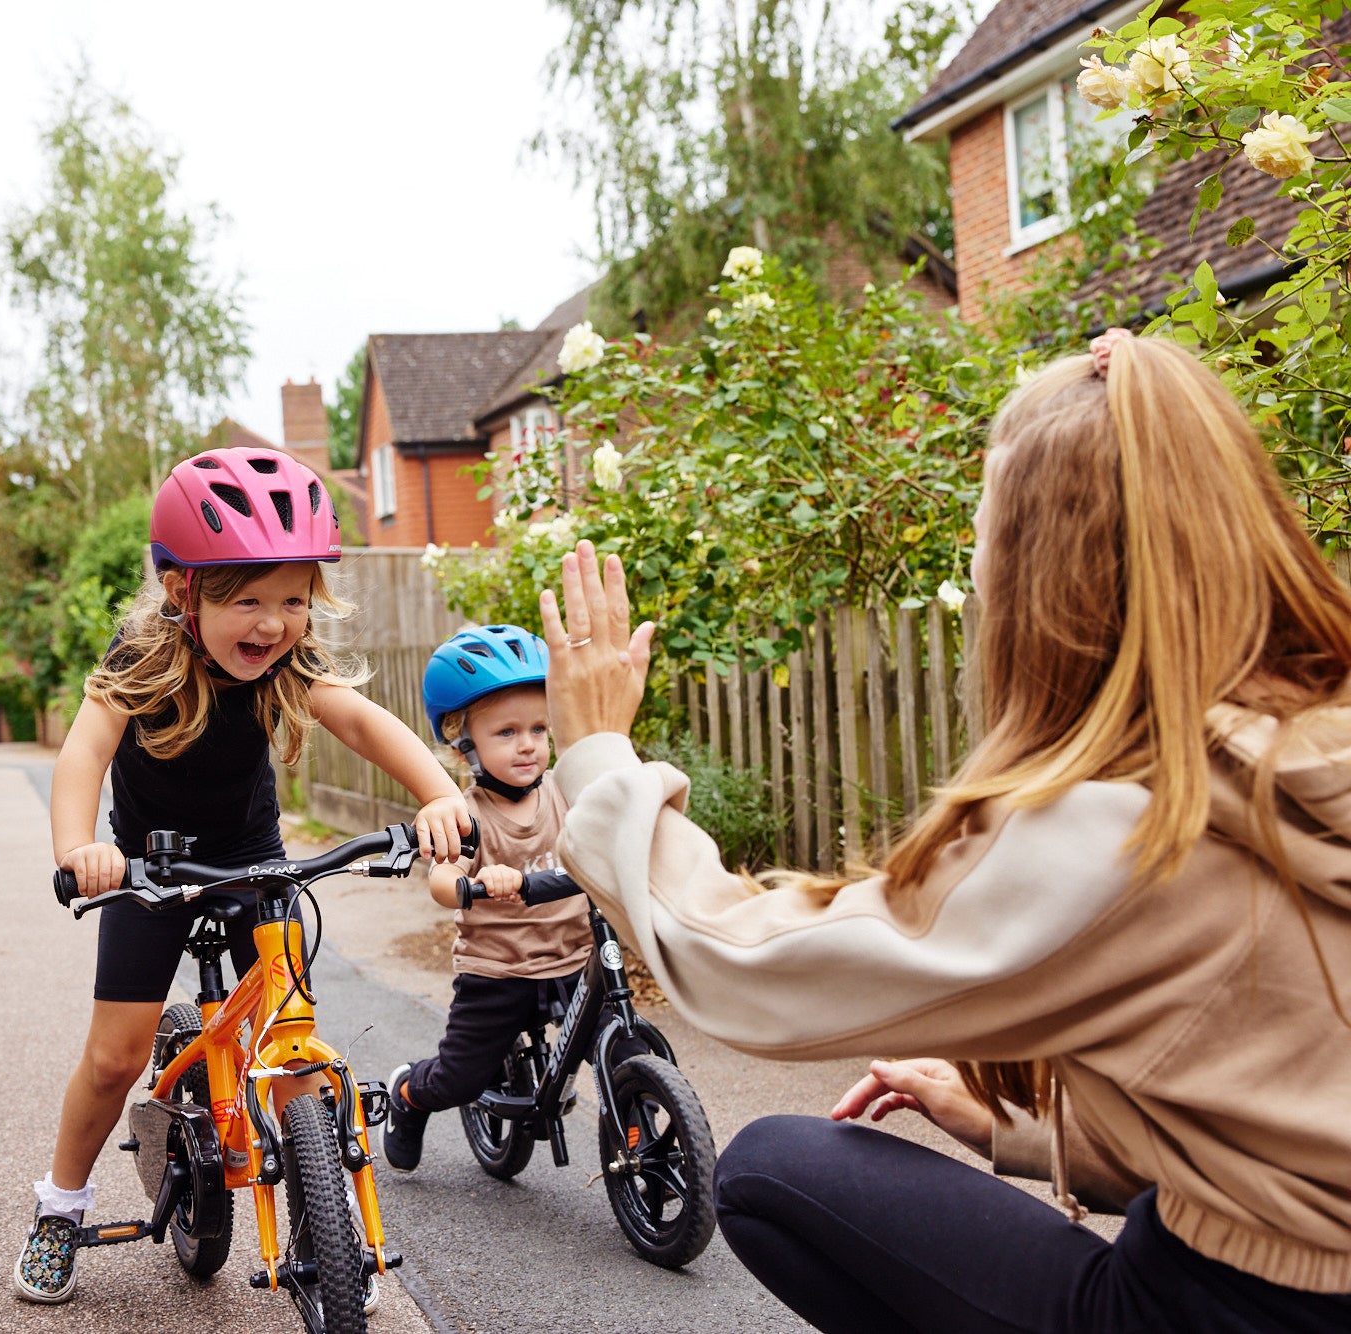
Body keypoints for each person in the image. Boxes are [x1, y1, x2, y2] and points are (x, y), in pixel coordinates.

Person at [540, 332, 1351, 1331]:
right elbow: (1285, 1120)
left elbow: (739, 966)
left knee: (770, 1169)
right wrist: (1022, 1131)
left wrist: (598, 756)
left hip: (1235, 1307)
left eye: (982, 536)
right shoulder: (1310, 749)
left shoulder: (1140, 820)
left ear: (1038, 576)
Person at [15, 446, 471, 1306]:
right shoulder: (142, 657)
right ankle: (59, 1207)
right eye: (248, 600)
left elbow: (369, 727)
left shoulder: (288, 666)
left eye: (293, 599)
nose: (273, 623)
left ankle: (326, 1220)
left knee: (292, 1052)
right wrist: (79, 849)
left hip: (255, 863)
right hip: (147, 870)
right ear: (186, 591)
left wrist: (441, 795)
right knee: (115, 1060)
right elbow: (84, 752)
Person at [382, 626, 587, 1172]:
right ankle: (409, 1095)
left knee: (626, 1046)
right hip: (497, 971)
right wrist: (478, 881)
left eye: (539, 728)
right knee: (461, 1076)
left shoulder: (566, 792)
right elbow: (441, 878)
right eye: (507, 732)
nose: (528, 744)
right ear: (463, 744)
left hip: (575, 958)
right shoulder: (466, 815)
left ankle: (640, 1136)